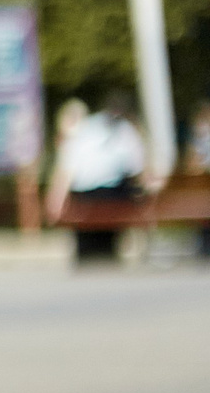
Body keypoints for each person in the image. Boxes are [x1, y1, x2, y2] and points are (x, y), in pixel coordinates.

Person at [47, 93, 149, 265]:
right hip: (112, 194)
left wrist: (55, 201)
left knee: (88, 240)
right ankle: (106, 258)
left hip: (83, 197)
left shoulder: (86, 128)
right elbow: (138, 170)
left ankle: (89, 260)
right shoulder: (125, 130)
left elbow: (67, 169)